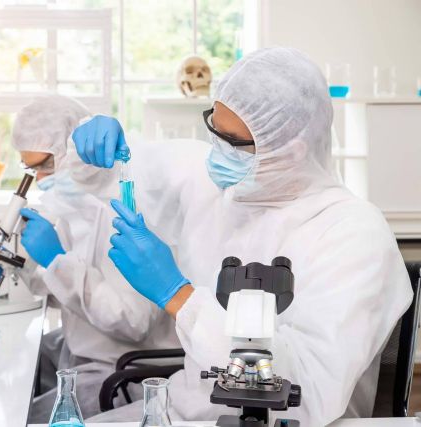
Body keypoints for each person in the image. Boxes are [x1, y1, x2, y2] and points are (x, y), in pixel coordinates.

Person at [72, 48, 413, 425]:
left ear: (293, 150)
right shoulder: (222, 185)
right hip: (188, 408)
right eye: (214, 129)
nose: (217, 151)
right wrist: (93, 144)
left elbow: (306, 393)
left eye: (232, 142)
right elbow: (118, 170)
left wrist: (179, 296)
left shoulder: (352, 233)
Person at [10, 95, 181, 422]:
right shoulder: (78, 207)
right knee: (24, 364)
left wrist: (57, 261)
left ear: (75, 151)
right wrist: (26, 268)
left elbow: (132, 320)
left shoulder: (128, 208)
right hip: (89, 346)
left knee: (22, 417)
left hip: (124, 367)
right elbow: (73, 287)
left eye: (46, 165)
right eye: (32, 169)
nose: (41, 180)